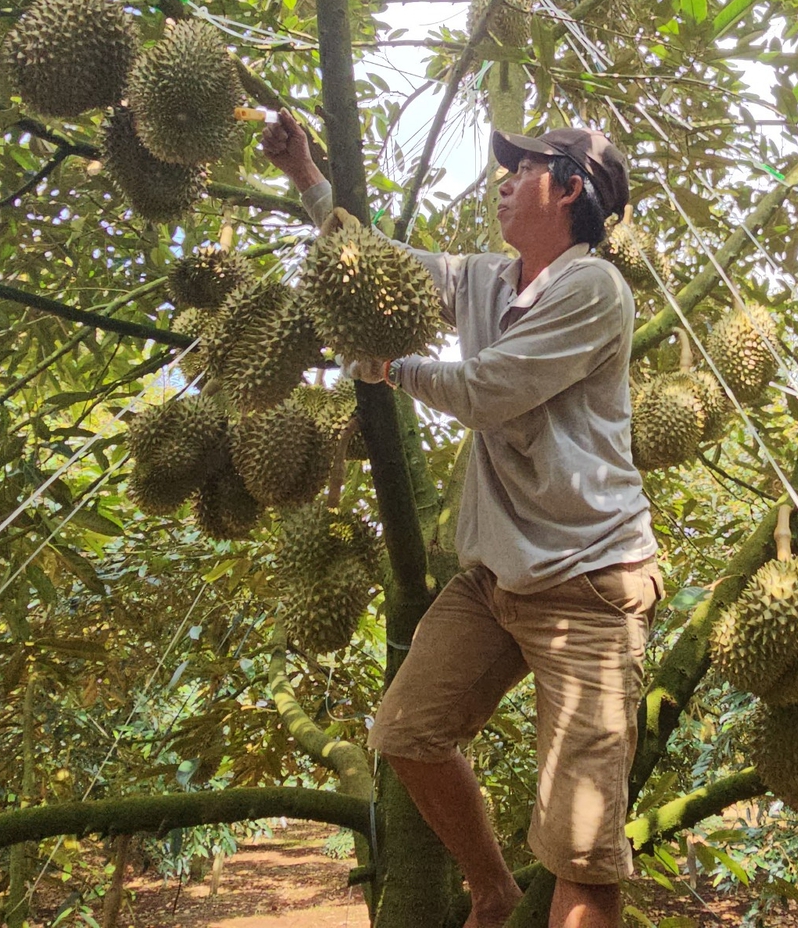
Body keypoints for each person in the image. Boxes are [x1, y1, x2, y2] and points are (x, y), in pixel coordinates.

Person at [261, 113, 661, 928]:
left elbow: (487, 390)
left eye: (522, 171)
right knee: (405, 732)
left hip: (589, 585)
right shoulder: (483, 279)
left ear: (569, 189)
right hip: (495, 581)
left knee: (581, 849)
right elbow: (377, 263)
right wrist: (306, 175)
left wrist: (388, 365)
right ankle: (492, 888)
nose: (504, 183)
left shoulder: (594, 289)